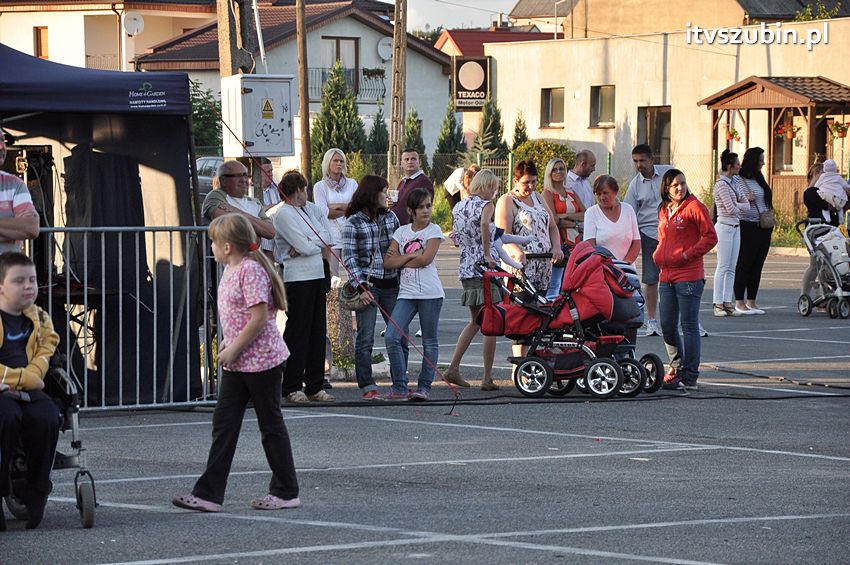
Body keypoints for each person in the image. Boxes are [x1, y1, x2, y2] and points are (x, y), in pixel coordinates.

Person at [172, 214, 299, 513]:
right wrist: (230, 347)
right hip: (239, 363)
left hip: (262, 362)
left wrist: (231, 349)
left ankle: (286, 490)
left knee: (270, 425)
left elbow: (258, 318)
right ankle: (209, 494)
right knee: (224, 426)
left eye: (214, 243)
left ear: (227, 246)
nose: (212, 248)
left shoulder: (250, 271)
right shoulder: (232, 270)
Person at [0, 252, 60, 530]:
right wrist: (23, 378)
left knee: (47, 417)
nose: (28, 286)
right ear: (1, 286)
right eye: (19, 281)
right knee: (7, 416)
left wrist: (32, 376)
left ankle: (36, 492)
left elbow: (47, 351)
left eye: (33, 280)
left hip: (29, 386)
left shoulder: (40, 317)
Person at [269, 171, 335, 404]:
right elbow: (302, 246)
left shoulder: (309, 210)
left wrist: (311, 243)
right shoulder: (284, 214)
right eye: (304, 189)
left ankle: (315, 384)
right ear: (296, 190)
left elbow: (327, 235)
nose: (306, 194)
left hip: (317, 274)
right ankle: (291, 385)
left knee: (318, 330)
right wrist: (311, 243)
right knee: (298, 331)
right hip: (298, 279)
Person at [653, 170, 717, 392]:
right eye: (674, 185)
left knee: (689, 326)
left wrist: (687, 254)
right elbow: (663, 238)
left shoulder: (694, 207)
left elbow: (710, 236)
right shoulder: (664, 209)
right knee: (667, 325)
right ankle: (677, 367)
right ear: (666, 189)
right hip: (666, 275)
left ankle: (690, 375)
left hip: (689, 276)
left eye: (682, 183)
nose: (680, 188)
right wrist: (659, 253)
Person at [341, 175, 402, 400]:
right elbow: (349, 258)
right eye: (383, 192)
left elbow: (399, 247)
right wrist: (361, 287)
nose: (387, 196)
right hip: (369, 285)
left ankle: (400, 383)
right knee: (366, 337)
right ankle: (367, 385)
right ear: (371, 194)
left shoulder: (390, 217)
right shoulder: (354, 222)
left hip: (392, 284)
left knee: (398, 335)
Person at [382, 188, 444, 401]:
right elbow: (388, 263)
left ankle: (424, 386)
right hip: (406, 293)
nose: (426, 210)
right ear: (410, 210)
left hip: (430, 293)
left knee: (429, 341)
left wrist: (405, 257)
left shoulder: (434, 231)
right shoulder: (401, 233)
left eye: (428, 206)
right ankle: (399, 386)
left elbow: (425, 260)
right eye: (421, 207)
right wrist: (414, 254)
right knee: (392, 336)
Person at [443, 169, 502, 390]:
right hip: (483, 268)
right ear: (487, 186)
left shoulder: (459, 206)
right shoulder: (486, 206)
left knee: (477, 320)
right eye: (494, 187)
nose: (494, 192)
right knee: (490, 322)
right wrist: (487, 253)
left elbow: (456, 237)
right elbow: (485, 225)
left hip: (466, 266)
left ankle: (454, 367)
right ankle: (487, 377)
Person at [495, 159, 564, 293]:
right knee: (521, 309)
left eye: (533, 182)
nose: (531, 186)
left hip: (543, 264)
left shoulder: (537, 197)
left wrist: (556, 247)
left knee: (542, 309)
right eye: (526, 183)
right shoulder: (507, 201)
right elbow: (501, 235)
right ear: (515, 181)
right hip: (521, 267)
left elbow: (552, 226)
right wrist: (517, 251)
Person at [623, 144, 671, 337]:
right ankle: (651, 321)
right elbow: (628, 211)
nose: (639, 165)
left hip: (673, 233)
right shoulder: (635, 184)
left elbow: (685, 196)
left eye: (642, 160)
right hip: (649, 234)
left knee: (679, 279)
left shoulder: (669, 173)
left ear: (652, 159)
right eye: (635, 161)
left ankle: (685, 321)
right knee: (651, 279)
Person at [734, 147, 773, 315]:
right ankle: (739, 301)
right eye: (760, 160)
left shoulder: (759, 178)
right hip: (747, 225)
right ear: (752, 161)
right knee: (744, 264)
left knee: (758, 264)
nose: (763, 163)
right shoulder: (738, 179)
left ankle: (752, 300)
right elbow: (736, 199)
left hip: (764, 226)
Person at [712, 149, 751, 317]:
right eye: (737, 164)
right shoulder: (721, 184)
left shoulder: (735, 181)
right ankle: (717, 303)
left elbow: (746, 205)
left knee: (732, 267)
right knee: (723, 265)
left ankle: (728, 302)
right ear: (729, 166)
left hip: (736, 227)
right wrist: (739, 204)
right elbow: (731, 208)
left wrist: (739, 204)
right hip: (725, 227)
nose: (739, 167)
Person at [201, 160, 276, 241]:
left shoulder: (255, 202)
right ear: (223, 180)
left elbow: (271, 232)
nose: (243, 180)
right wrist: (257, 233)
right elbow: (231, 225)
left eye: (245, 175)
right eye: (237, 176)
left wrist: (236, 211)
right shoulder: (215, 197)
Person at [312, 149, 359, 275]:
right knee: (332, 276)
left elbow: (358, 208)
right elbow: (323, 213)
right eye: (335, 160)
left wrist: (336, 206)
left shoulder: (352, 183)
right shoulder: (320, 187)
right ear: (328, 163)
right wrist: (348, 209)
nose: (339, 164)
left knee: (354, 274)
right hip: (331, 236)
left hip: (350, 235)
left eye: (342, 161)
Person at [583, 175, 641, 264]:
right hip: (602, 269)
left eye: (605, 193)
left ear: (615, 191)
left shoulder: (628, 209)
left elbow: (636, 242)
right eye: (598, 194)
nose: (602, 197)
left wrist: (624, 265)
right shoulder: (591, 213)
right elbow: (590, 245)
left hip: (627, 269)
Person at [0, 134, 40, 253]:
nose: (2, 146)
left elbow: (31, 227)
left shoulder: (14, 184)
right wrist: (11, 229)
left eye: (3, 140)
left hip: (7, 271)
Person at [390, 149, 434, 225]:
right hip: (399, 229)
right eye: (406, 159)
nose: (410, 162)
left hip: (412, 231)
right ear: (401, 163)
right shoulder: (402, 182)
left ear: (419, 162)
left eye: (413, 159)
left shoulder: (423, 182)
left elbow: (424, 208)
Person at [257, 157, 280, 260]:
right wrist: (273, 207)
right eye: (267, 172)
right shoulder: (251, 189)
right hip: (261, 231)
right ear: (258, 173)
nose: (271, 174)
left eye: (272, 171)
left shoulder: (277, 189)